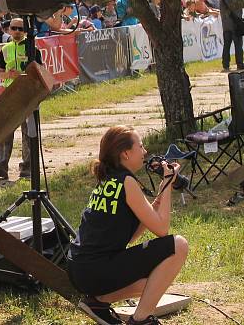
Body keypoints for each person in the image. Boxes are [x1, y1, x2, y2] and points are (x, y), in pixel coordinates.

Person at [68, 126, 189, 325]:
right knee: (179, 245)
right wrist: (168, 183)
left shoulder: (108, 179)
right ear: (125, 153)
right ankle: (141, 320)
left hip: (80, 270)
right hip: (95, 270)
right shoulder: (127, 182)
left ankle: (97, 302)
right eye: (140, 146)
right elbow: (162, 230)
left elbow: (127, 236)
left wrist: (157, 200)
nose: (145, 152)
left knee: (150, 285)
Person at [0, 17, 36, 180]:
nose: (16, 31)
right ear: (8, 30)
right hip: (9, 93)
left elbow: (40, 71)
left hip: (27, 93)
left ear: (25, 31)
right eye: (14, 28)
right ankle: (0, 167)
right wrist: (7, 74)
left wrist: (22, 75)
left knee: (28, 132)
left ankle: (27, 169)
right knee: (5, 131)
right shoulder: (5, 49)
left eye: (20, 29)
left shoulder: (32, 47)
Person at [219, 0, 244, 72]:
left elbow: (222, 12)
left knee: (226, 46)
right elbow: (240, 11)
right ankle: (240, 64)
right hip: (235, 26)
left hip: (226, 25)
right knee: (238, 46)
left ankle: (225, 65)